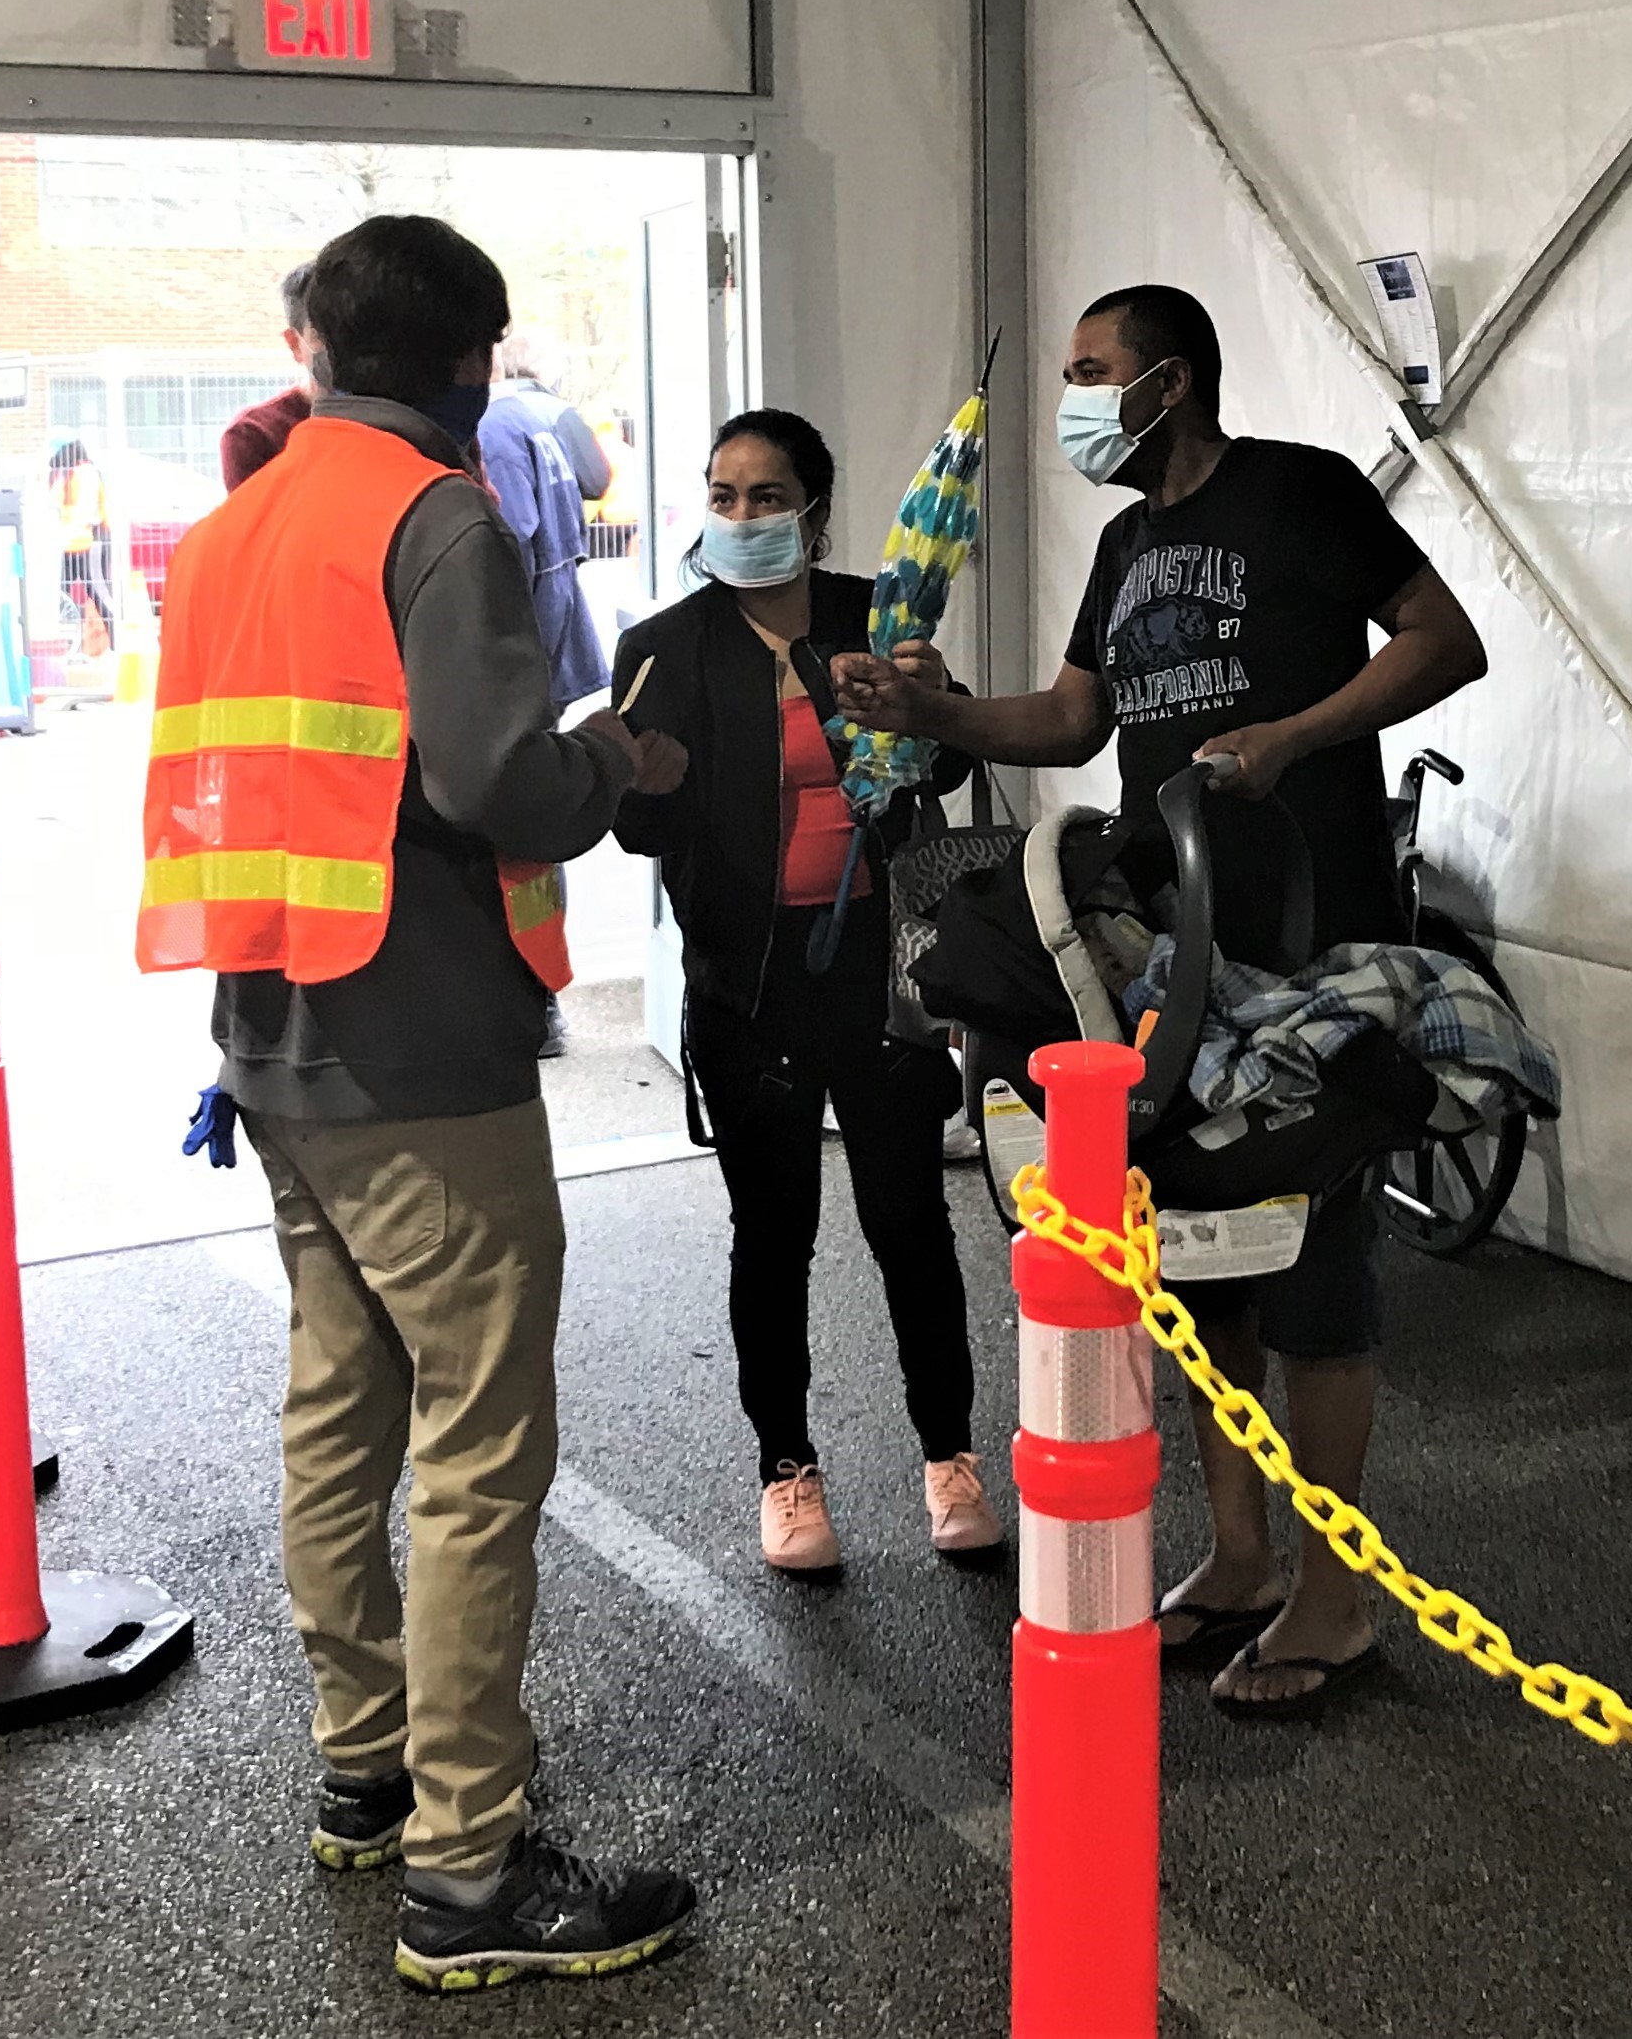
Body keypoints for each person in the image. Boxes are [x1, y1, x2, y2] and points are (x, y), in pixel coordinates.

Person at [139, 212, 698, 1989]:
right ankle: (468, 1872)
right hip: (423, 1041)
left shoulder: (230, 525)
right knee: (476, 1445)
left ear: (317, 346)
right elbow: (505, 785)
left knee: (339, 1405)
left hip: (274, 1031)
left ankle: (367, 1769)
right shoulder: (433, 512)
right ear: (471, 363)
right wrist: (619, 750)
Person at [831, 284, 1487, 1714]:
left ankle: (1335, 1598)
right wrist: (931, 713)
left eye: (1090, 371)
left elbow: (1447, 641)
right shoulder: (1126, 541)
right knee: (1209, 1259)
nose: (1071, 397)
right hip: (1174, 949)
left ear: (1169, 381)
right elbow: (1073, 719)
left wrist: (1298, 736)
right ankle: (1241, 1558)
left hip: (1311, 941)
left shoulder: (1302, 494)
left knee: (1319, 1270)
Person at [611, 409, 1001, 1576]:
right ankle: (787, 1471)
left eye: (768, 496)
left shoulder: (879, 612)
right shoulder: (664, 645)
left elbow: (956, 752)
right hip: (750, 990)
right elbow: (636, 827)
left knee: (912, 1225)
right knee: (772, 1238)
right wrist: (648, 783)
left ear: (815, 512)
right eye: (724, 495)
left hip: (885, 979)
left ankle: (951, 1458)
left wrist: (928, 705)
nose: (743, 517)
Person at [477, 332, 613, 1062]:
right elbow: (598, 479)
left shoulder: (494, 427)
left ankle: (532, 996)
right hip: (558, 626)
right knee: (535, 822)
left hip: (524, 638)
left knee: (516, 821)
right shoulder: (552, 417)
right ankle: (542, 988)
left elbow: (511, 538)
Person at [221, 260, 323, 491]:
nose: (342, 348)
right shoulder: (254, 434)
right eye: (324, 335)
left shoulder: (402, 423)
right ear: (295, 343)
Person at [47, 438, 113, 646]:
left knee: (100, 594)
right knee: (58, 596)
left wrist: (62, 536)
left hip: (90, 543)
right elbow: (53, 504)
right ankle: (62, 645)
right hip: (68, 546)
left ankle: (117, 644)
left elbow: (84, 512)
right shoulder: (66, 473)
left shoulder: (86, 473)